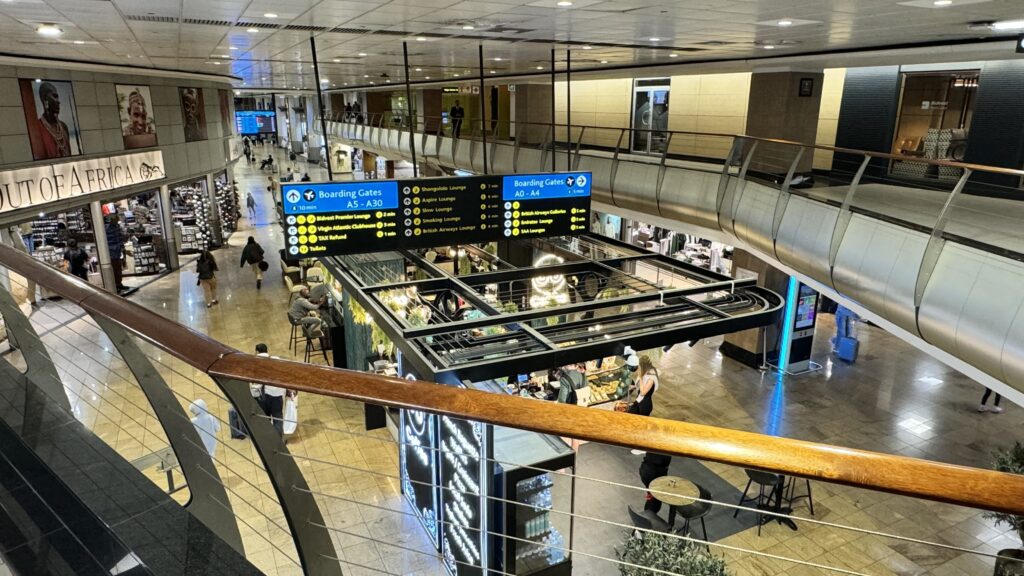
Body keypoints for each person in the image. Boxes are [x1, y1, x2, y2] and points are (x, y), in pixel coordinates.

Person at [253, 343, 287, 436]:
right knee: (278, 418)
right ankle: (279, 441)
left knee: (265, 420)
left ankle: (268, 440)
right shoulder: (276, 360)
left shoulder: (255, 363)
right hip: (277, 396)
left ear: (256, 351)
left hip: (263, 397)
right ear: (267, 350)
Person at [35, 82, 72, 159]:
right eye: (55, 96)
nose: (58, 101)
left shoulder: (64, 127)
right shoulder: (37, 128)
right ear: (45, 99)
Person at [105, 214, 127, 292]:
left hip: (117, 251)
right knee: (114, 269)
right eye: (116, 219)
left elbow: (120, 238)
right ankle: (115, 285)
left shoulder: (117, 227)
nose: (117, 221)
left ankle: (119, 283)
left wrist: (122, 248)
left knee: (118, 268)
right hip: (111, 252)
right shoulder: (106, 228)